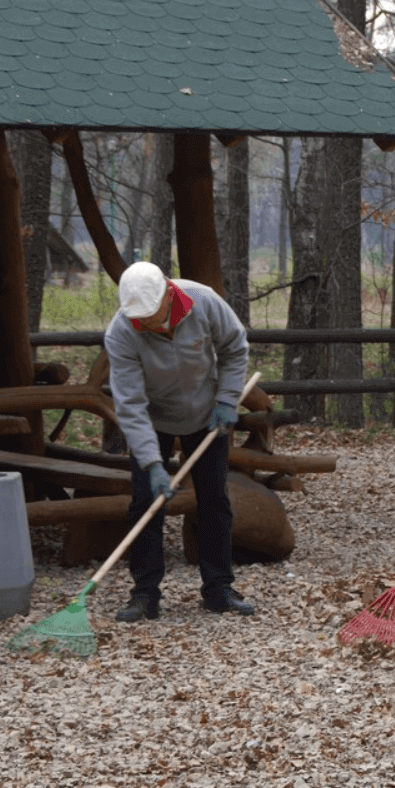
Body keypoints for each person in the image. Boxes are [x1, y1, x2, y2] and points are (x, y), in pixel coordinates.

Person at [103, 261, 253, 621]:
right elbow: (130, 403)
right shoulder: (122, 331)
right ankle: (144, 594)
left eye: (153, 317)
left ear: (170, 294)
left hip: (206, 413)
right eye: (141, 321)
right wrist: (153, 463)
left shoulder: (204, 302)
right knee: (145, 502)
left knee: (214, 499)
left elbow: (234, 348)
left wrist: (227, 399)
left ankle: (218, 588)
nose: (149, 326)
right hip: (152, 419)